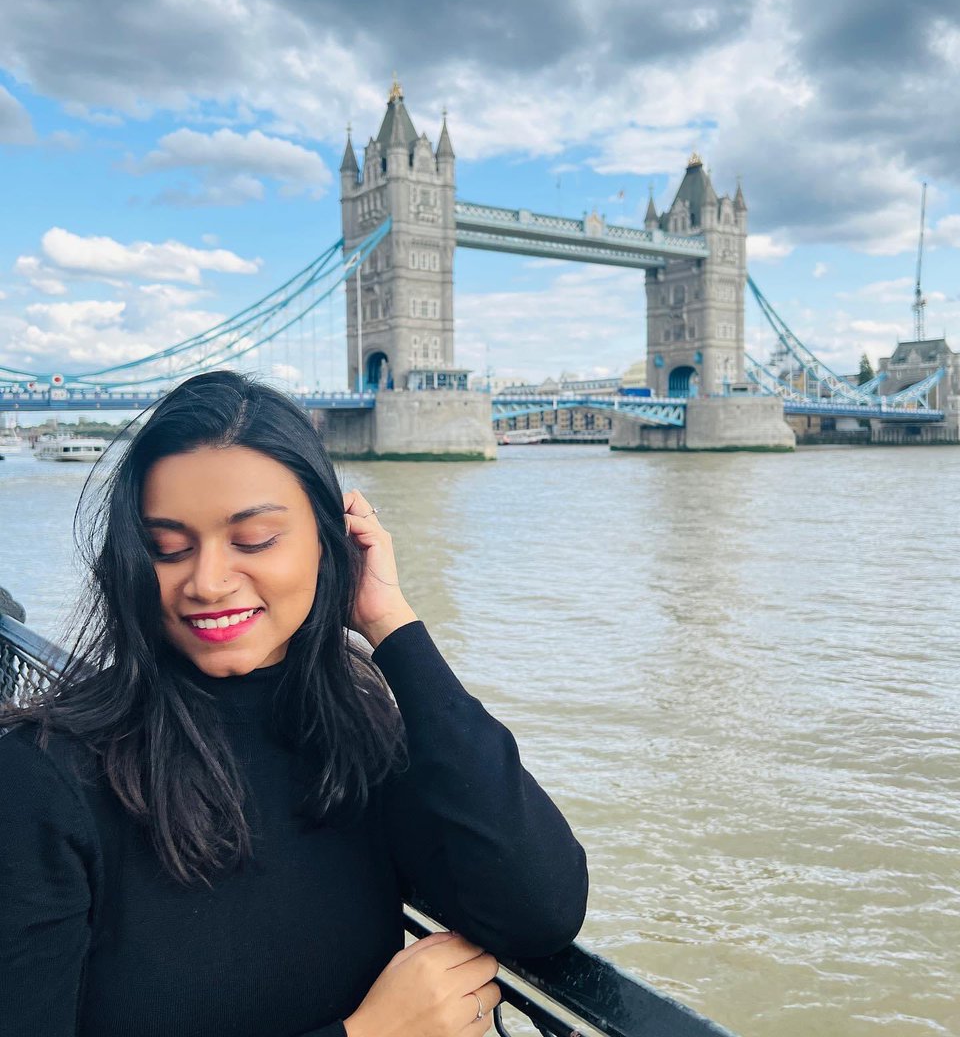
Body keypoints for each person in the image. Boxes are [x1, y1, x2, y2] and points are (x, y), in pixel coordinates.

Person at [0, 371, 588, 1037]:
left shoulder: (355, 739)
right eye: (168, 548)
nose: (209, 581)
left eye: (254, 541)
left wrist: (392, 625)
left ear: (326, 545)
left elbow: (540, 909)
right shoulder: (41, 780)